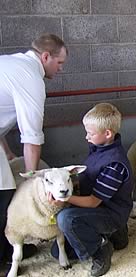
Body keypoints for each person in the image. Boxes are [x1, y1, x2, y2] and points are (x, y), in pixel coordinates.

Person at [0, 33, 67, 273]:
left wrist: (8, 156)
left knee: (5, 185)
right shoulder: (31, 78)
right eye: (59, 63)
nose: (60, 69)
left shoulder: (12, 63)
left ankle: (9, 247)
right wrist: (32, 180)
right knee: (4, 193)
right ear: (46, 56)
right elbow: (31, 137)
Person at [50, 103, 134, 277]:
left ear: (108, 134)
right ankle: (116, 236)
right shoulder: (98, 150)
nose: (86, 137)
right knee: (57, 252)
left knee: (66, 219)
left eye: (90, 133)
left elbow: (93, 201)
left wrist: (65, 198)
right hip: (97, 210)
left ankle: (102, 250)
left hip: (111, 213)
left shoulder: (114, 163)